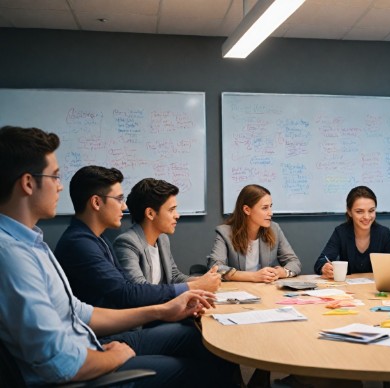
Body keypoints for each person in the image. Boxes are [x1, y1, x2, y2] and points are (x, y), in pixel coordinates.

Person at [0, 125, 235, 386]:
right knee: (205, 371)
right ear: (28, 183)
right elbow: (61, 363)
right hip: (86, 366)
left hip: (90, 343)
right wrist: (116, 355)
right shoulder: (14, 256)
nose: (59, 187)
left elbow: (79, 312)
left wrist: (163, 310)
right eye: (54, 177)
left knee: (199, 339)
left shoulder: (34, 244)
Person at [54, 166, 193, 309]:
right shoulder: (79, 244)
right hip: (108, 329)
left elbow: (126, 288)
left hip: (121, 323)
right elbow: (126, 294)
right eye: (119, 199)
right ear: (96, 202)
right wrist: (187, 289)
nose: (124, 206)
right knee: (190, 331)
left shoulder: (100, 240)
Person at [113, 177, 221, 291]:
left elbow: (174, 277)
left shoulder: (162, 238)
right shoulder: (126, 243)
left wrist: (202, 280)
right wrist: (196, 286)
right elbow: (139, 288)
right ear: (150, 213)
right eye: (171, 210)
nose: (177, 215)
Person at [207, 184, 301, 283]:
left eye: (270, 207)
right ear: (247, 210)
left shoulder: (274, 229)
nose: (271, 213)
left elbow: (294, 262)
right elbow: (216, 268)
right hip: (237, 292)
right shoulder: (225, 233)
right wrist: (253, 276)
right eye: (265, 208)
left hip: (264, 290)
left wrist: (281, 272)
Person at [314, 186, 390, 278]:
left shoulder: (383, 233)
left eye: (371, 211)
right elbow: (320, 262)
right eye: (359, 211)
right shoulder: (341, 232)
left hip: (374, 288)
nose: (367, 217)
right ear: (349, 212)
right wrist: (324, 267)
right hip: (348, 289)